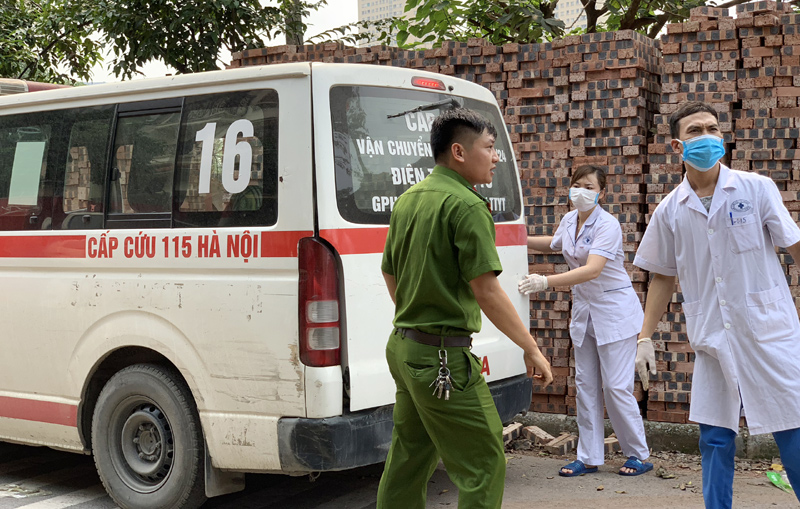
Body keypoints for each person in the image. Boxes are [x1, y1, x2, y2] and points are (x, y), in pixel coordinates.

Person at [377, 108, 553, 509]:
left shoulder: (409, 199)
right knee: (483, 463)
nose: (496, 157)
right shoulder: (468, 206)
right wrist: (531, 347)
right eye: (489, 148)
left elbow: (389, 271)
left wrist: (414, 312)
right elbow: (486, 291)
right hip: (442, 358)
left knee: (408, 459)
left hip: (404, 349)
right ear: (458, 151)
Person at [633, 101, 800, 508]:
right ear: (677, 145)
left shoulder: (755, 188)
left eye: (712, 128)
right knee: (715, 436)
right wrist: (644, 337)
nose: (706, 136)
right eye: (695, 131)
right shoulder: (670, 209)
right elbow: (663, 276)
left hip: (768, 329)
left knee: (792, 428)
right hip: (712, 334)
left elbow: (795, 245)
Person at [519, 164, 652, 477]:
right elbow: (553, 243)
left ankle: (637, 455)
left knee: (617, 387)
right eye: (577, 184)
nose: (581, 190)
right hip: (586, 313)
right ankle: (589, 457)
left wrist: (545, 282)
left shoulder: (608, 225)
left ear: (601, 193)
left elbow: (593, 269)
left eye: (589, 186)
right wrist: (516, 237)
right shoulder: (568, 220)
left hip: (615, 312)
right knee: (586, 386)